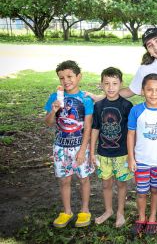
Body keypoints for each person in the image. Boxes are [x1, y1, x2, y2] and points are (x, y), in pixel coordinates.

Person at [88, 27, 157, 217]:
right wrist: (102, 96)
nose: (156, 47)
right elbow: (131, 90)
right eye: (150, 45)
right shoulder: (146, 68)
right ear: (147, 50)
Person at [44, 60, 94, 228]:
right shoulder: (54, 97)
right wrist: (54, 110)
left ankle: (85, 210)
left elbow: (88, 127)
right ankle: (67, 211)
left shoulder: (85, 99)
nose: (66, 81)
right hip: (60, 147)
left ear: (79, 77)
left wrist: (82, 151)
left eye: (70, 76)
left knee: (83, 179)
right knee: (64, 181)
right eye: (61, 78)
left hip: (80, 147)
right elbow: (48, 122)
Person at [127, 74, 157, 236]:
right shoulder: (136, 110)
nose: (153, 94)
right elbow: (131, 134)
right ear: (142, 91)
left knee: (155, 191)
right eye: (149, 90)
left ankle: (152, 217)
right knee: (141, 191)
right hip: (141, 161)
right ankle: (141, 217)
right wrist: (131, 158)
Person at [89, 67, 133, 228]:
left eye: (115, 83)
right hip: (103, 153)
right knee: (106, 183)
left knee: (121, 184)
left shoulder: (127, 105)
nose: (111, 87)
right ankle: (108, 210)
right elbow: (95, 128)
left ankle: (120, 212)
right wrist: (92, 151)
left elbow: (131, 132)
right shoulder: (98, 105)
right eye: (106, 83)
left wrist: (131, 153)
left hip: (122, 153)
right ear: (101, 85)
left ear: (121, 84)